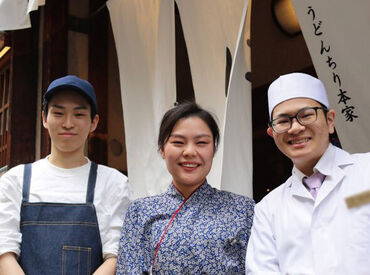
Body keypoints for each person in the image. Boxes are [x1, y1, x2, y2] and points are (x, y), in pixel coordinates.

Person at [0, 75, 132, 275]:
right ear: (44, 118)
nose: (68, 123)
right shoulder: (15, 180)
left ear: (94, 122)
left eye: (79, 115)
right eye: (59, 113)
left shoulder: (114, 183)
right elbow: (4, 251)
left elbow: (118, 255)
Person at [246, 72, 370, 274]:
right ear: (272, 133)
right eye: (283, 121)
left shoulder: (366, 172)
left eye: (306, 115)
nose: (295, 128)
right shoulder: (268, 210)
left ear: (330, 120)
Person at [116, 101, 255, 274]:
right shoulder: (140, 212)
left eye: (201, 142)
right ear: (162, 149)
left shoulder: (243, 210)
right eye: (179, 142)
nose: (189, 151)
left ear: (214, 149)